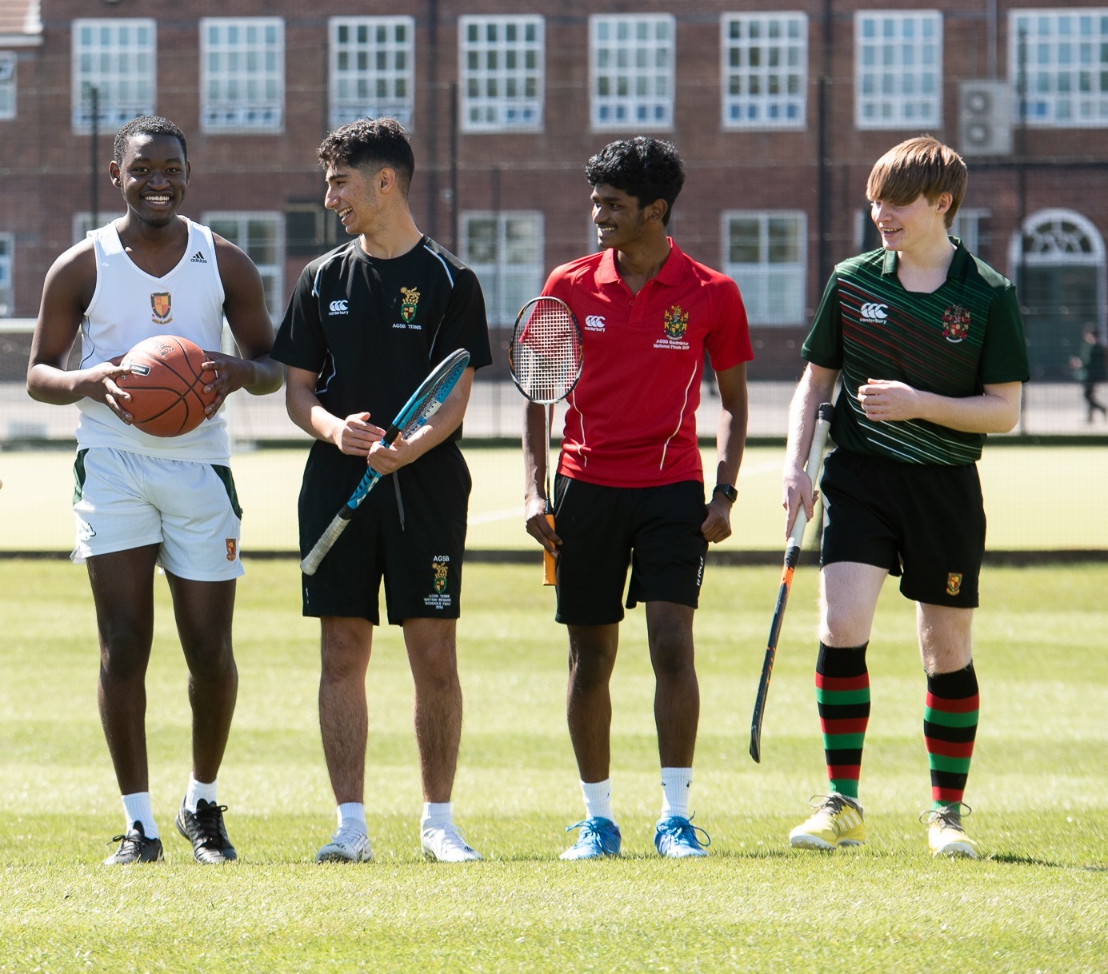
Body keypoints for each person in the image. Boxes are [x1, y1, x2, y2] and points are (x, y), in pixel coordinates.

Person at [27, 115, 283, 865]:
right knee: (124, 644)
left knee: (210, 650)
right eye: (142, 169)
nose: (157, 180)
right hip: (112, 462)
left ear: (188, 173)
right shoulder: (82, 264)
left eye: (170, 168)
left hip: (200, 464)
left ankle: (201, 801)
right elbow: (40, 371)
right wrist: (86, 381)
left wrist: (239, 371)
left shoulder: (224, 261)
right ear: (117, 176)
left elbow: (272, 363)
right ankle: (138, 825)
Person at [784, 138, 1026, 860]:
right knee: (841, 622)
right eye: (874, 201)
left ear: (940, 203)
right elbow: (814, 381)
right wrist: (796, 466)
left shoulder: (988, 293)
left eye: (895, 202)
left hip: (944, 487)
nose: (879, 214)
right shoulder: (852, 280)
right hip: (859, 479)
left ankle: (946, 812)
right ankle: (841, 802)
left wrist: (918, 402)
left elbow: (1003, 410)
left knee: (944, 648)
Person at [523, 137, 751, 860]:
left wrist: (723, 491)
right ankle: (597, 819)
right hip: (584, 488)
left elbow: (735, 404)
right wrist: (533, 486)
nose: (598, 214)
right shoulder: (567, 283)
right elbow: (537, 393)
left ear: (656, 209)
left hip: (673, 491)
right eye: (595, 201)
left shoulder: (713, 293)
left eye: (614, 204)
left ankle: (675, 817)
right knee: (590, 657)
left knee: (671, 646)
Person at [272, 117, 490, 866]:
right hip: (336, 482)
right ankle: (351, 826)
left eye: (340, 181)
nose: (330, 195)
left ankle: (439, 822)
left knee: (433, 653)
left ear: (384, 181)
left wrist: (413, 447)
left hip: (425, 485)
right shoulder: (320, 278)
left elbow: (455, 393)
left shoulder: (453, 281)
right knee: (341, 651)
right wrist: (336, 431)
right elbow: (297, 392)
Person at [1074, 323, 1106, 423]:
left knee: (1087, 395)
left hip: (1091, 375)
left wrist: (1079, 364)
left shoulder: (1094, 347)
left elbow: (1088, 362)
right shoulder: (1095, 346)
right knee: (1090, 395)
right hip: (1093, 374)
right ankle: (1090, 418)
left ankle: (1102, 409)